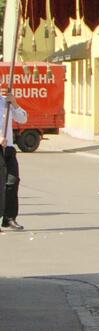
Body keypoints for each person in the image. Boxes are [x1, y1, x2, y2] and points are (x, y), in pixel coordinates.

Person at [0, 85, 28, 231]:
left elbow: (23, 118)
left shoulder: (7, 102)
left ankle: (10, 217)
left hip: (9, 148)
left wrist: (15, 103)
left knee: (12, 181)